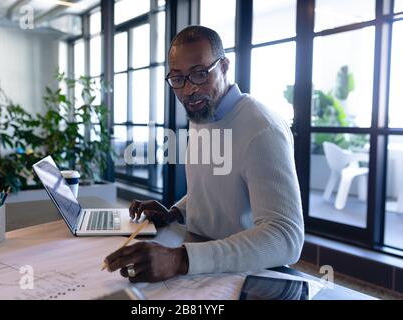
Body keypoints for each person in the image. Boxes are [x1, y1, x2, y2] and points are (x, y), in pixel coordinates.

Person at [104, 25, 304, 283]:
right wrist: (175, 213)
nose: (188, 90)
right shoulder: (202, 114)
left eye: (199, 74)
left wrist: (181, 259)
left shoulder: (261, 129)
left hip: (248, 276)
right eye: (177, 79)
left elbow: (286, 237)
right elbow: (216, 187)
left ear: (224, 66)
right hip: (203, 264)